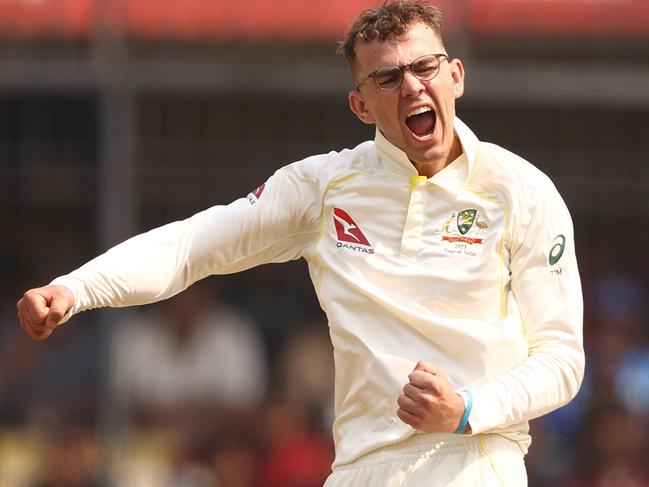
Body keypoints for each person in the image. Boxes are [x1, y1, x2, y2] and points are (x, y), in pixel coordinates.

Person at [16, 1, 584, 485]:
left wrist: (468, 411)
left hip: (475, 459)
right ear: (361, 105)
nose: (412, 84)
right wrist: (75, 288)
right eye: (387, 77)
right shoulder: (324, 187)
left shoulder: (521, 190)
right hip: (360, 467)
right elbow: (193, 246)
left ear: (455, 75)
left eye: (425, 67)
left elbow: (561, 359)